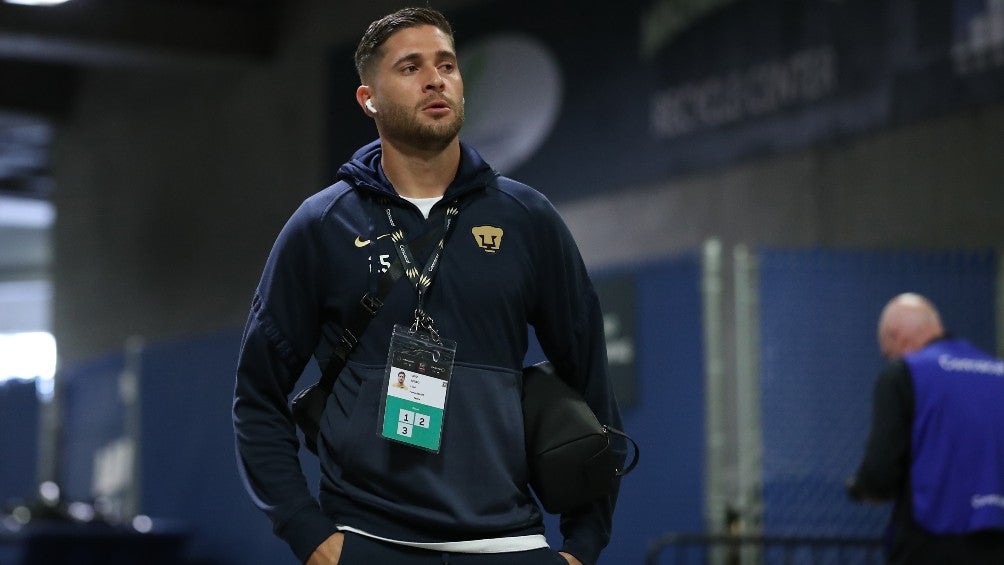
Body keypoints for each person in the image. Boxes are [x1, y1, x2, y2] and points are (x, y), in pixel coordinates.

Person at [232, 7, 623, 565]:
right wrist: (309, 535)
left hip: (509, 542)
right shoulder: (321, 226)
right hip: (367, 542)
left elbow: (591, 380)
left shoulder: (526, 218)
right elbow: (257, 396)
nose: (436, 79)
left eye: (447, 65)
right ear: (369, 99)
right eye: (410, 67)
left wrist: (583, 545)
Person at [847, 293, 1004, 564]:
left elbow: (880, 473)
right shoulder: (999, 375)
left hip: (929, 541)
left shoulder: (905, 374)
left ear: (897, 337)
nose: (891, 359)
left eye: (888, 353)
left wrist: (861, 488)